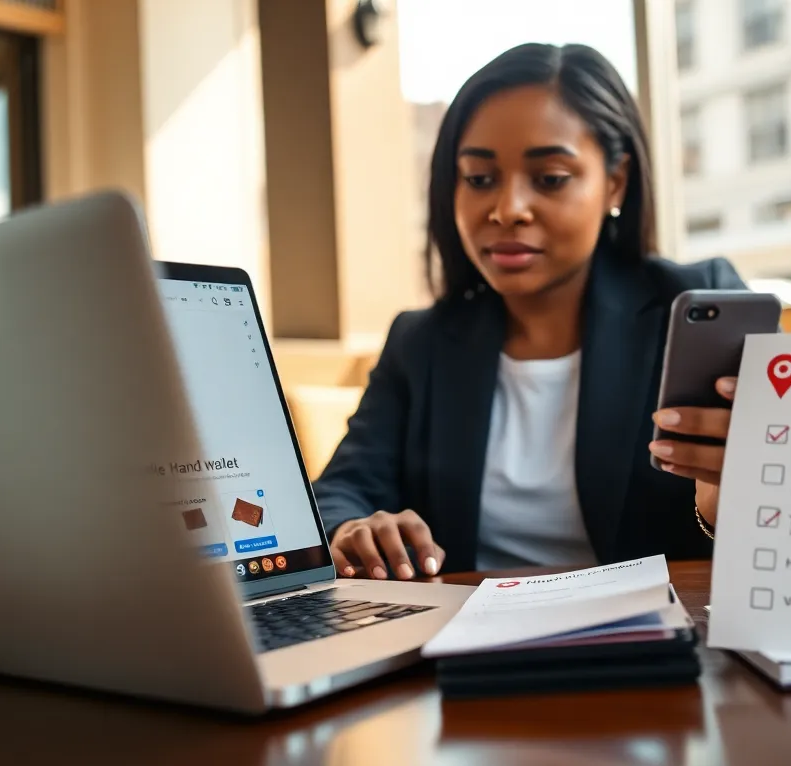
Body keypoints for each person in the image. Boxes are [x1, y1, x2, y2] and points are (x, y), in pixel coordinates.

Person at [312, 42, 748, 579]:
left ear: (615, 181)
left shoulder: (693, 308)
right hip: (466, 639)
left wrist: (724, 501)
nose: (507, 209)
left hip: (656, 639)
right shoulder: (420, 341)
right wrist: (353, 528)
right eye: (479, 178)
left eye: (549, 179)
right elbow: (343, 489)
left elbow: (775, 508)